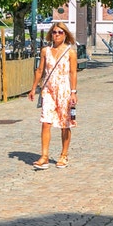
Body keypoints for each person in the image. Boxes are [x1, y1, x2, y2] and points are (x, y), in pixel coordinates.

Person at [28, 22, 78, 169]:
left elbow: (73, 73)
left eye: (60, 32)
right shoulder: (45, 51)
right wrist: (33, 88)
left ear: (65, 35)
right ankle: (44, 156)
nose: (57, 35)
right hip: (48, 90)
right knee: (45, 122)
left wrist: (74, 92)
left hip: (64, 91)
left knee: (65, 123)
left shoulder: (70, 52)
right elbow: (40, 70)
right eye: (55, 32)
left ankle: (64, 155)